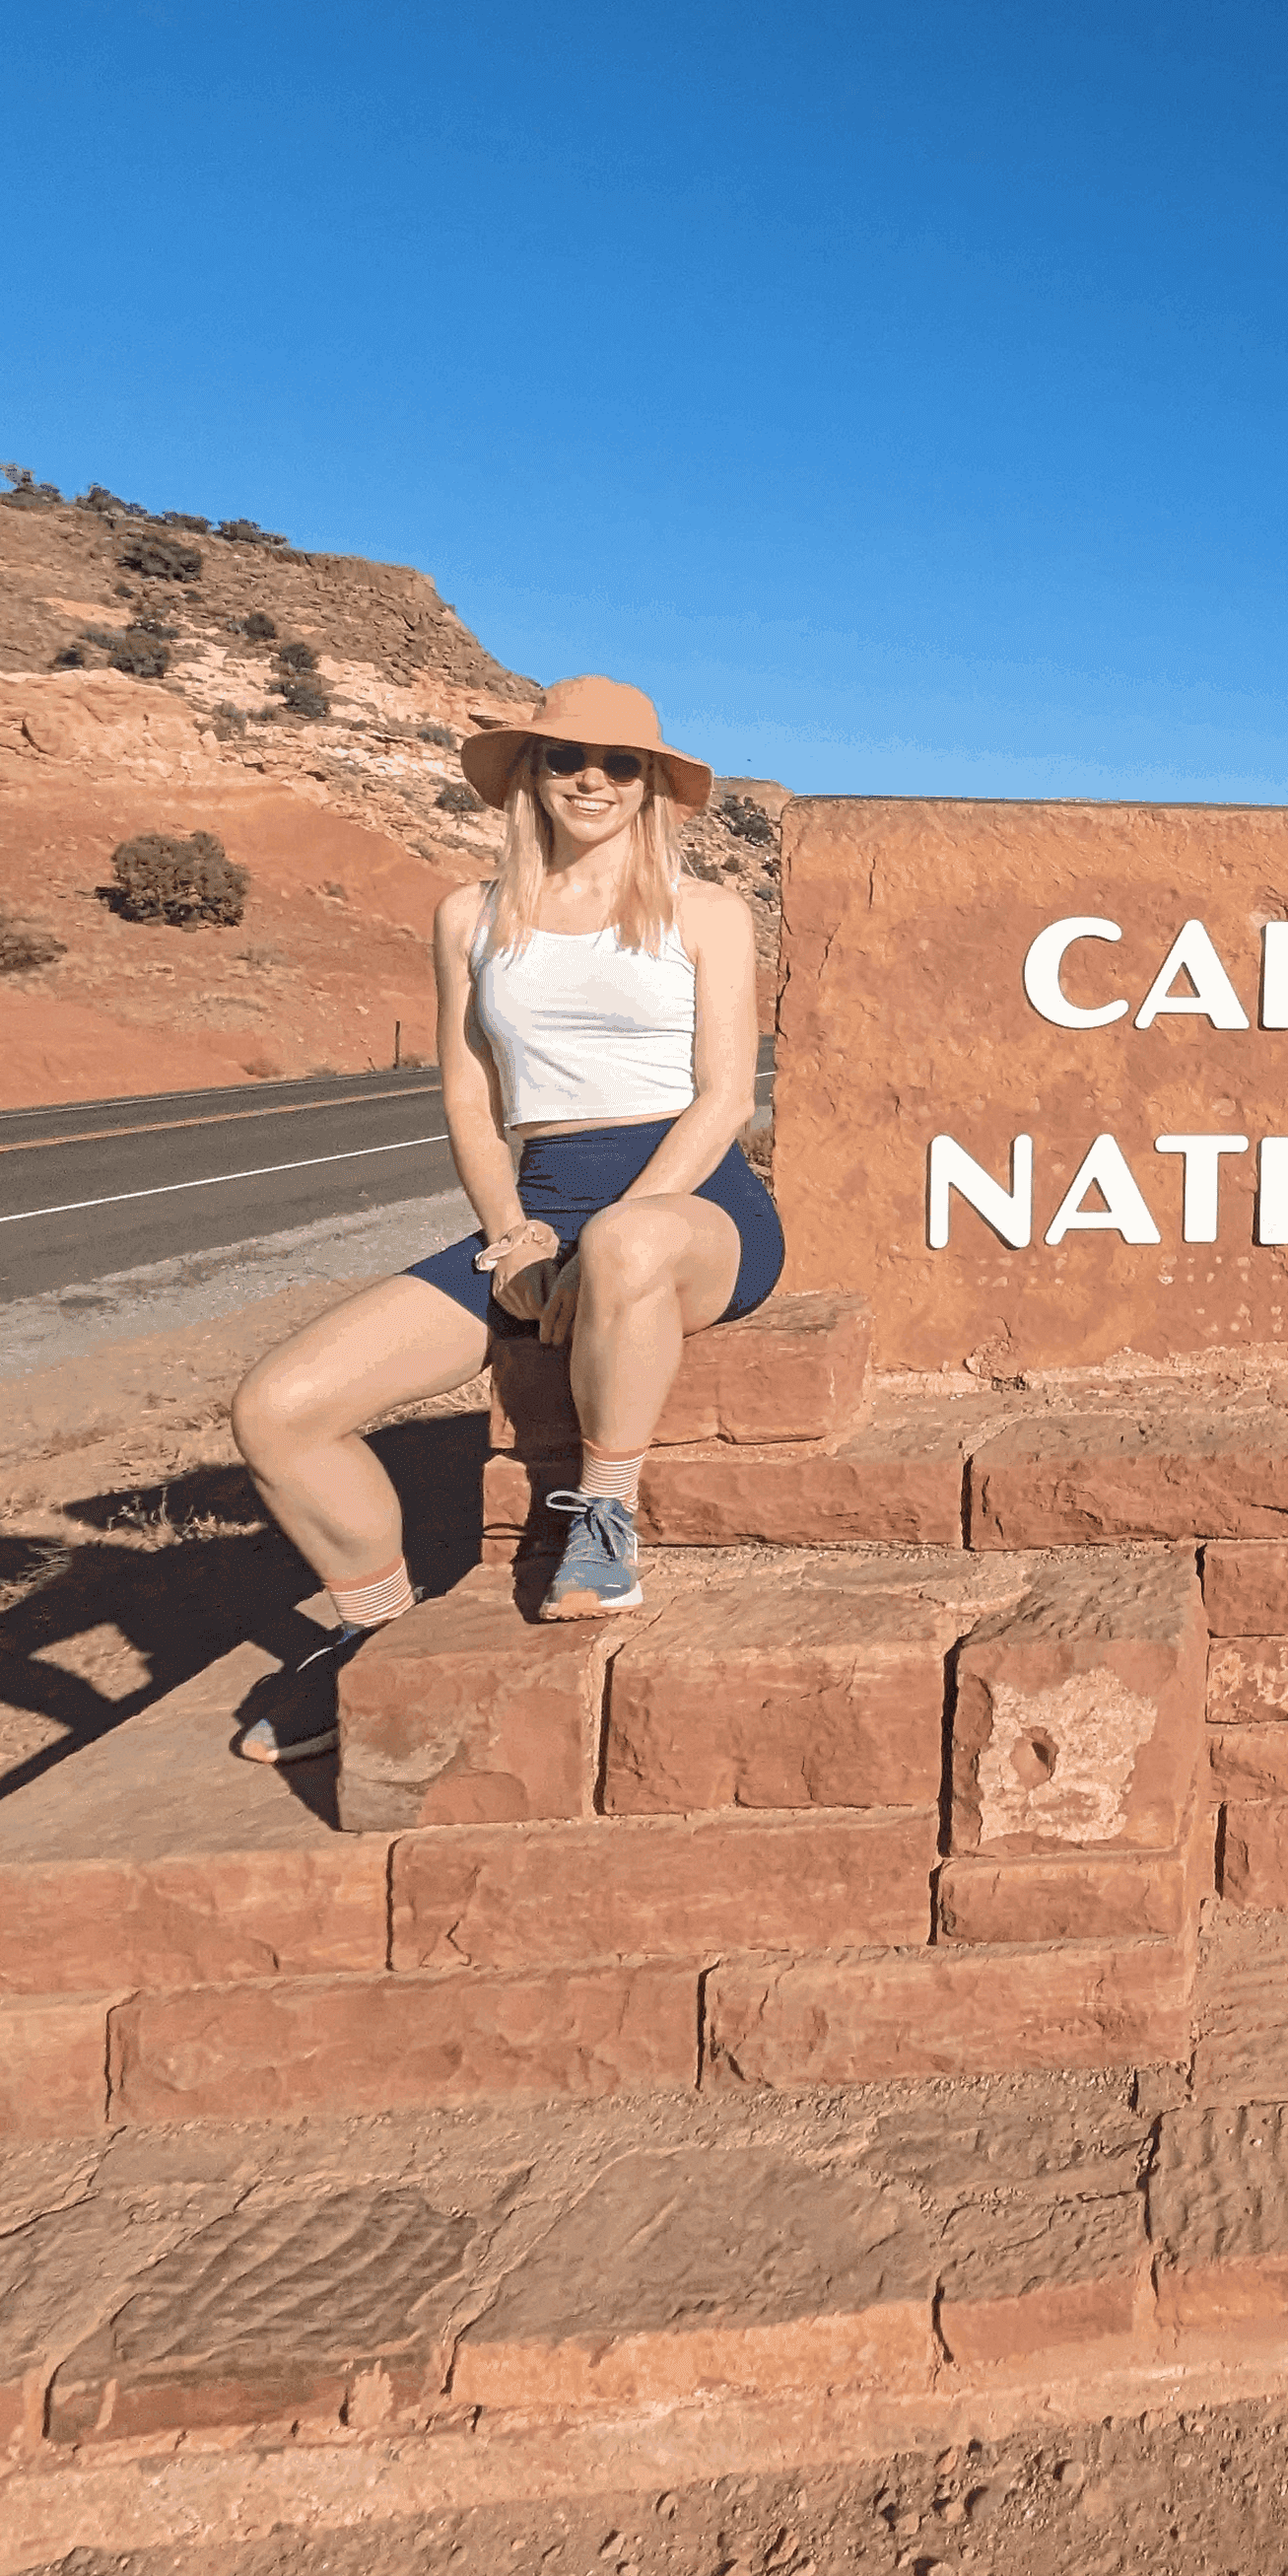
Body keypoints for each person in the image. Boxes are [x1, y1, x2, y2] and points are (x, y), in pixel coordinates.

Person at [223, 676, 779, 1763]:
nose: (591, 779)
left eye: (620, 763)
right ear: (530, 772)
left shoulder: (707, 912)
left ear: (651, 785)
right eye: (566, 757)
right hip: (542, 1201)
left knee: (624, 1244)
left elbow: (724, 1099)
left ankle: (603, 1522)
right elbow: (470, 1098)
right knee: (279, 1408)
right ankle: (375, 1636)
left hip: (693, 1202)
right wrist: (515, 1234)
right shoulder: (467, 917)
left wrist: (606, 1235)